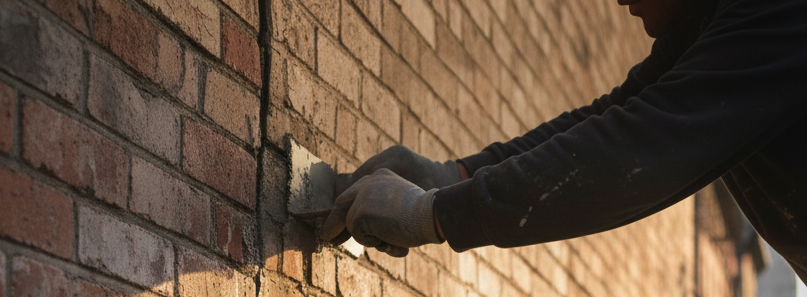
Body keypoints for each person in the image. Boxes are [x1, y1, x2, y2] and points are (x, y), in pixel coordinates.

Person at [320, 0, 807, 282]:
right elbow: (611, 116)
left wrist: (431, 213)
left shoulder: (781, 13)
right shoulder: (709, 23)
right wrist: (451, 176)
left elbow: (635, 149)